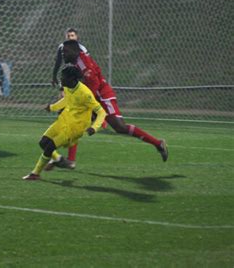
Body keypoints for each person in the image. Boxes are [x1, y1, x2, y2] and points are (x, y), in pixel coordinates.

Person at [47, 39, 168, 169]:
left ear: (73, 51)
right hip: (93, 97)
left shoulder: (85, 66)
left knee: (120, 127)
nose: (63, 55)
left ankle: (158, 143)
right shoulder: (75, 62)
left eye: (65, 52)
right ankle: (69, 160)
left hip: (103, 96)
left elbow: (94, 85)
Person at [23, 65, 106, 180]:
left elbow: (102, 112)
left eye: (63, 77)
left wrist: (94, 127)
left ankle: (35, 173)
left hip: (75, 128)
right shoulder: (68, 87)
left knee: (50, 147)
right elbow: (66, 100)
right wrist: (52, 107)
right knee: (43, 142)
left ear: (72, 79)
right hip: (64, 120)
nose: (61, 79)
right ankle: (59, 160)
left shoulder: (85, 94)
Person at [51, 28, 89, 165]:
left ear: (77, 37)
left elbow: (87, 69)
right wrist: (54, 76)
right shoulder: (62, 47)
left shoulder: (82, 49)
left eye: (72, 35)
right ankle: (66, 157)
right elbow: (58, 63)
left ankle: (64, 156)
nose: (70, 37)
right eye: (68, 35)